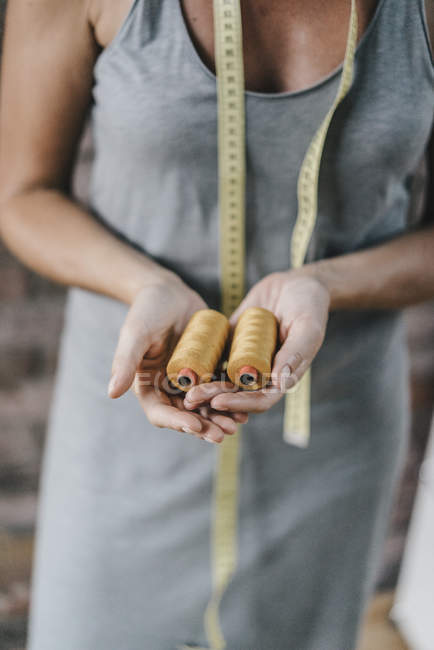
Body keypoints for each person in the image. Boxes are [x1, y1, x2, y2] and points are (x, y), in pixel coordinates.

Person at [0, 1, 433, 648]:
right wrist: (144, 283)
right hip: (133, 413)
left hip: (333, 421)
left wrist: (323, 285)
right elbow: (22, 195)